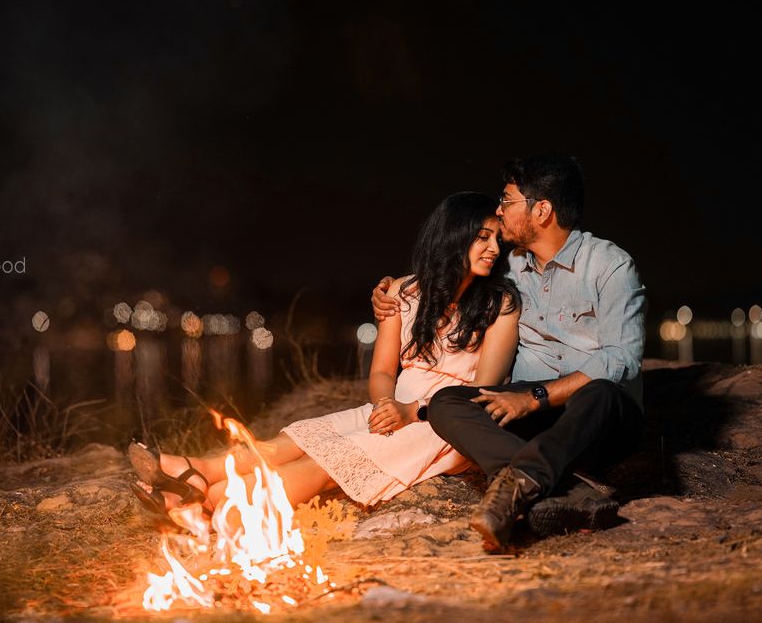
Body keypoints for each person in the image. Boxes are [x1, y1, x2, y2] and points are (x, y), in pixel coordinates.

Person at [128, 192, 522, 528]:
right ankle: (200, 474)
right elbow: (383, 371)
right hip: (394, 408)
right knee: (298, 439)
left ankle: (211, 507)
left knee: (326, 463)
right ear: (453, 237)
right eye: (482, 237)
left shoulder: (499, 303)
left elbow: (482, 393)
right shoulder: (403, 292)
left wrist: (411, 411)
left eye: (496, 240)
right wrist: (387, 404)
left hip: (446, 425)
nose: (493, 248)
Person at [371, 153, 646, 552]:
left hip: (595, 416)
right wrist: (388, 291)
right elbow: (450, 271)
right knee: (448, 402)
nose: (498, 211)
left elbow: (621, 360)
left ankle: (517, 485)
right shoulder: (511, 265)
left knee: (601, 390)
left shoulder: (610, 266)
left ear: (542, 210)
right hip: (529, 414)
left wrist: (534, 398)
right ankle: (567, 493)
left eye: (507, 201)